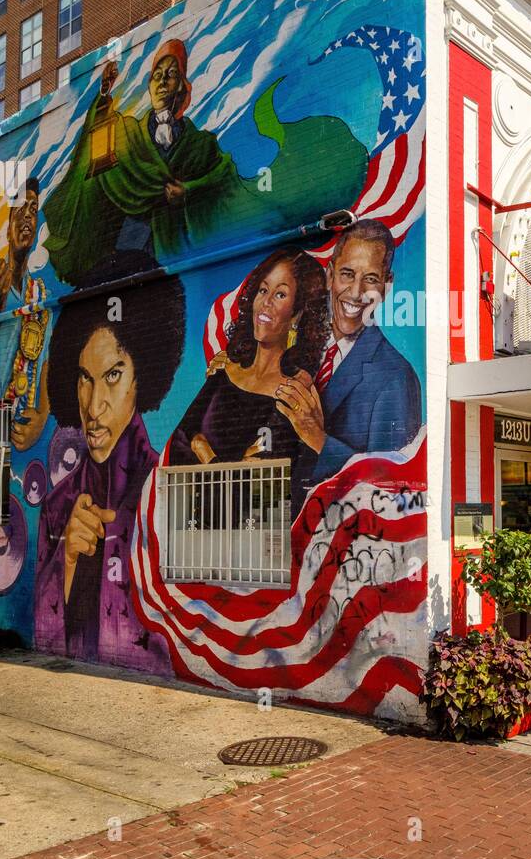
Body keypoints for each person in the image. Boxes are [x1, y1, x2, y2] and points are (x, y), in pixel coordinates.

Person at [34, 252, 185, 669]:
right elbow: (43, 642)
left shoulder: (165, 493)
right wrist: (65, 561)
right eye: (85, 378)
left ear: (143, 376)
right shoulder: (55, 508)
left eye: (113, 375)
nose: (94, 405)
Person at [44, 43, 246, 284]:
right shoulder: (128, 134)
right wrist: (104, 95)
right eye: (156, 76)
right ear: (149, 86)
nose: (161, 82)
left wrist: (189, 191)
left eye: (171, 75)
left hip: (176, 251)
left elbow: (223, 178)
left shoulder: (199, 144)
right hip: (128, 250)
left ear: (182, 85)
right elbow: (96, 138)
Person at [276, 220, 423, 513]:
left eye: (370, 279)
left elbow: (389, 487)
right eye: (347, 274)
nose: (356, 292)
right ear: (330, 275)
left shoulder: (396, 378)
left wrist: (317, 437)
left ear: (387, 285)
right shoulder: (294, 357)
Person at [169, 248, 328, 466]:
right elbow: (181, 437)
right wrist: (207, 452)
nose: (266, 302)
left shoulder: (295, 393)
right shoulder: (225, 370)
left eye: (280, 294)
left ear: (297, 314)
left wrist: (204, 450)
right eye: (263, 290)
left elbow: (264, 477)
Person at [0, 178, 50, 451]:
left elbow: (47, 358)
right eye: (20, 208)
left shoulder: (39, 293)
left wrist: (43, 412)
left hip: (20, 418)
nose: (27, 217)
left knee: (5, 485)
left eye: (33, 210)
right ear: (8, 225)